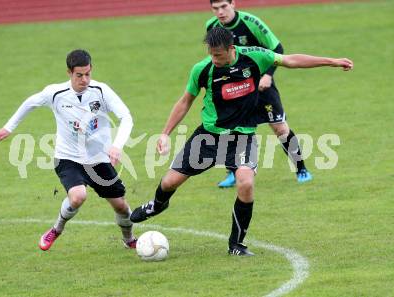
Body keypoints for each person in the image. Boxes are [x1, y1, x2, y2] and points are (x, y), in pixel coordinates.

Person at [130, 27, 353, 256]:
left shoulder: (254, 56)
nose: (214, 59)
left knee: (245, 183)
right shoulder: (203, 69)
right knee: (169, 183)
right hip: (209, 136)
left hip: (242, 137)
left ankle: (236, 244)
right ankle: (157, 205)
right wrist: (166, 133)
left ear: (231, 49)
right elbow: (186, 101)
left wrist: (332, 61)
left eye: (218, 55)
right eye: (211, 53)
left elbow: (291, 60)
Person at [0, 49, 138, 251]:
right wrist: (9, 127)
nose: (84, 79)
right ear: (69, 72)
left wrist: (117, 146)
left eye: (88, 74)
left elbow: (126, 117)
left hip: (98, 158)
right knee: (78, 196)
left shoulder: (101, 91)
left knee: (120, 205)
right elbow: (30, 103)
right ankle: (56, 229)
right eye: (79, 75)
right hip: (68, 157)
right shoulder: (55, 93)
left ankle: (129, 239)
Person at [207, 0, 312, 187]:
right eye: (216, 8)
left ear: (233, 4)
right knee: (231, 129)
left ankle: (301, 168)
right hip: (235, 90)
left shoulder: (251, 22)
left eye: (224, 6)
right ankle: (232, 172)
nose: (220, 12)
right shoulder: (212, 27)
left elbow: (277, 49)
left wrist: (268, 75)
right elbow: (216, 57)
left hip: (261, 86)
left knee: (280, 128)